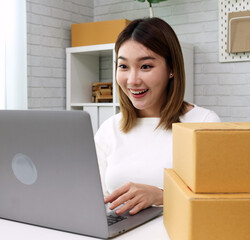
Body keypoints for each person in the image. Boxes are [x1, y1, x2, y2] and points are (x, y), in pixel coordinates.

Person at [94, 17, 220, 216]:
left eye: (145, 66)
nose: (132, 80)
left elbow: (217, 200)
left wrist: (161, 196)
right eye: (123, 66)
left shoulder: (203, 123)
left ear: (171, 69)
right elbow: (94, 197)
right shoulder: (109, 129)